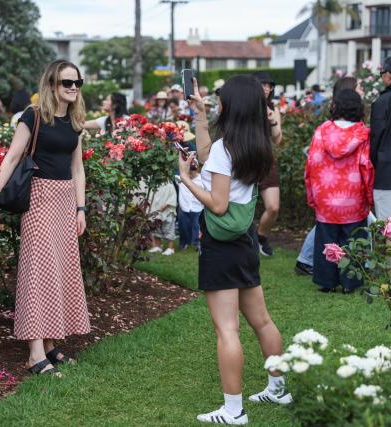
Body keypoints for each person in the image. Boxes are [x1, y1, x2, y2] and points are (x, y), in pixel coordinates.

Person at [179, 76, 290, 425]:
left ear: (232, 105)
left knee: (227, 329)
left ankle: (233, 410)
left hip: (221, 246)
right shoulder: (256, 144)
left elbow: (218, 204)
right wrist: (199, 116)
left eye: (220, 99)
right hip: (244, 240)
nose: (217, 103)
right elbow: (209, 157)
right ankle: (278, 388)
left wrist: (187, 180)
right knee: (262, 320)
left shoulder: (227, 149)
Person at [0, 59, 90, 376]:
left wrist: (80, 208)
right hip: (39, 199)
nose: (72, 88)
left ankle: (49, 344)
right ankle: (34, 353)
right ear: (51, 84)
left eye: (77, 83)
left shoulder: (75, 121)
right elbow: (13, 156)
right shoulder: (33, 116)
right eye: (66, 83)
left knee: (59, 271)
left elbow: (77, 169)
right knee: (38, 272)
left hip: (64, 202)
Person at [296, 76, 367, 276]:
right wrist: (368, 197)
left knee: (327, 240)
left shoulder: (322, 131)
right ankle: (350, 281)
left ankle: (326, 280)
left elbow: (311, 164)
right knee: (352, 240)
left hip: (325, 199)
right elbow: (366, 168)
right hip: (353, 199)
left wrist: (312, 195)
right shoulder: (362, 134)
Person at [253, 71, 282, 257]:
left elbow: (278, 140)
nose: (266, 88)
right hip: (245, 159)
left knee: (273, 207)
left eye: (269, 85)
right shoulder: (245, 107)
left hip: (266, 161)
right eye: (263, 84)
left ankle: (260, 236)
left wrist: (272, 121)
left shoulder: (273, 109)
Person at [370, 56, 391, 221]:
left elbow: (375, 139)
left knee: (387, 228)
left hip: (386, 173)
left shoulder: (382, 102)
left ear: (388, 75)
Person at [148, 180, 178, 256]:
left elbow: (173, 195)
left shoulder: (169, 183)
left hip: (167, 210)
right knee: (156, 228)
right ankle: (157, 247)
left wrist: (167, 204)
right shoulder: (154, 184)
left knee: (169, 229)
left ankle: (170, 248)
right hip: (156, 209)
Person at [177, 167, 203, 251]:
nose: (190, 173)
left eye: (192, 171)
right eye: (189, 171)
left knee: (197, 227)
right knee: (183, 227)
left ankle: (197, 244)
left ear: (197, 170)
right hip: (184, 207)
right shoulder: (181, 178)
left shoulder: (202, 179)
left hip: (198, 207)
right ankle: (183, 244)